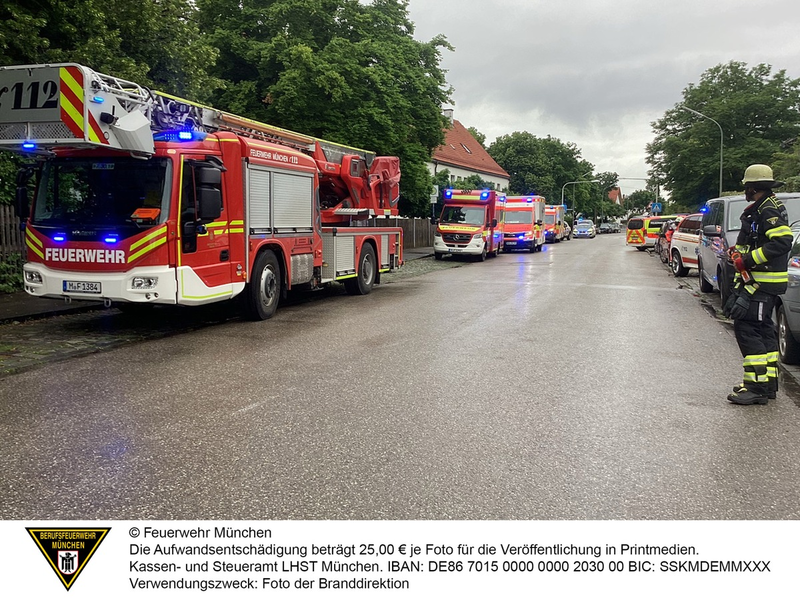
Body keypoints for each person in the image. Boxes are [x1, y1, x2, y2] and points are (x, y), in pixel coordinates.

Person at [725, 164, 792, 405]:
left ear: (752, 187)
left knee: (748, 329)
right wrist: (738, 253)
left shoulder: (769, 211)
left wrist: (748, 259)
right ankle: (768, 384)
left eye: (746, 187)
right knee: (763, 330)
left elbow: (783, 242)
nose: (745, 191)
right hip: (760, 283)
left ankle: (756, 388)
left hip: (763, 284)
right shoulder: (759, 210)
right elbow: (756, 242)